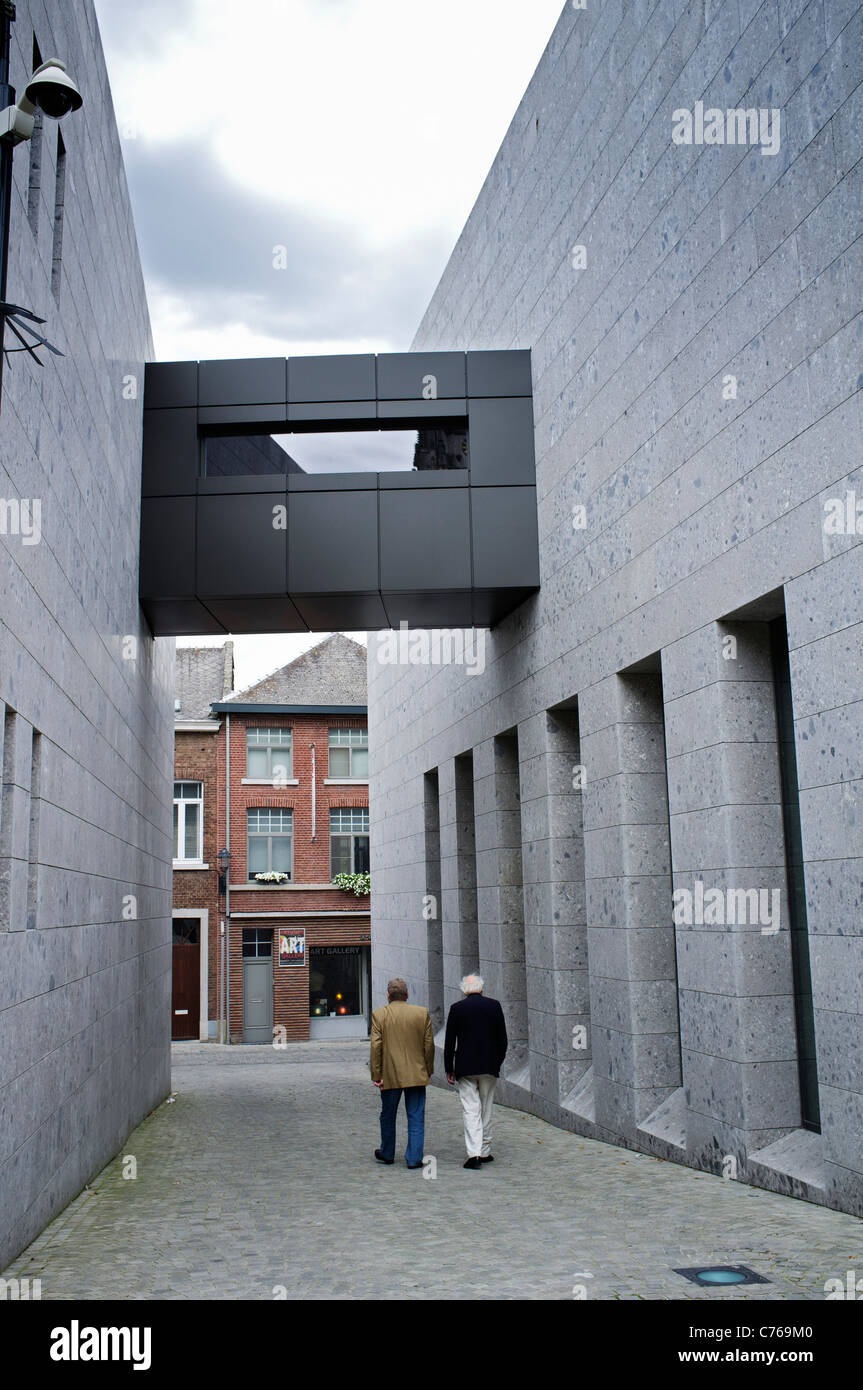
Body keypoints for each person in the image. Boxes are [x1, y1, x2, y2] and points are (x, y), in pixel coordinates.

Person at [370, 977, 435, 1169]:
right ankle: (414, 1158)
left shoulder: (379, 1015)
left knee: (388, 1114)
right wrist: (428, 1070)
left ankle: (387, 1152)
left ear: (388, 996)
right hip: (416, 1074)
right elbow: (429, 1046)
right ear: (407, 995)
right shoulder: (421, 1014)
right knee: (416, 1115)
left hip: (390, 1075)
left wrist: (376, 1074)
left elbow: (376, 1047)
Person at [444, 973, 507, 1170]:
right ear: (481, 987)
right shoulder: (494, 1006)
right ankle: (485, 1149)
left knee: (470, 1109)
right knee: (486, 1107)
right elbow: (502, 1039)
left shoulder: (457, 1009)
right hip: (488, 1066)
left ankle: (474, 1154)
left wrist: (449, 1068)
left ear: (464, 990)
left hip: (465, 1066)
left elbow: (449, 1042)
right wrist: (497, 1062)